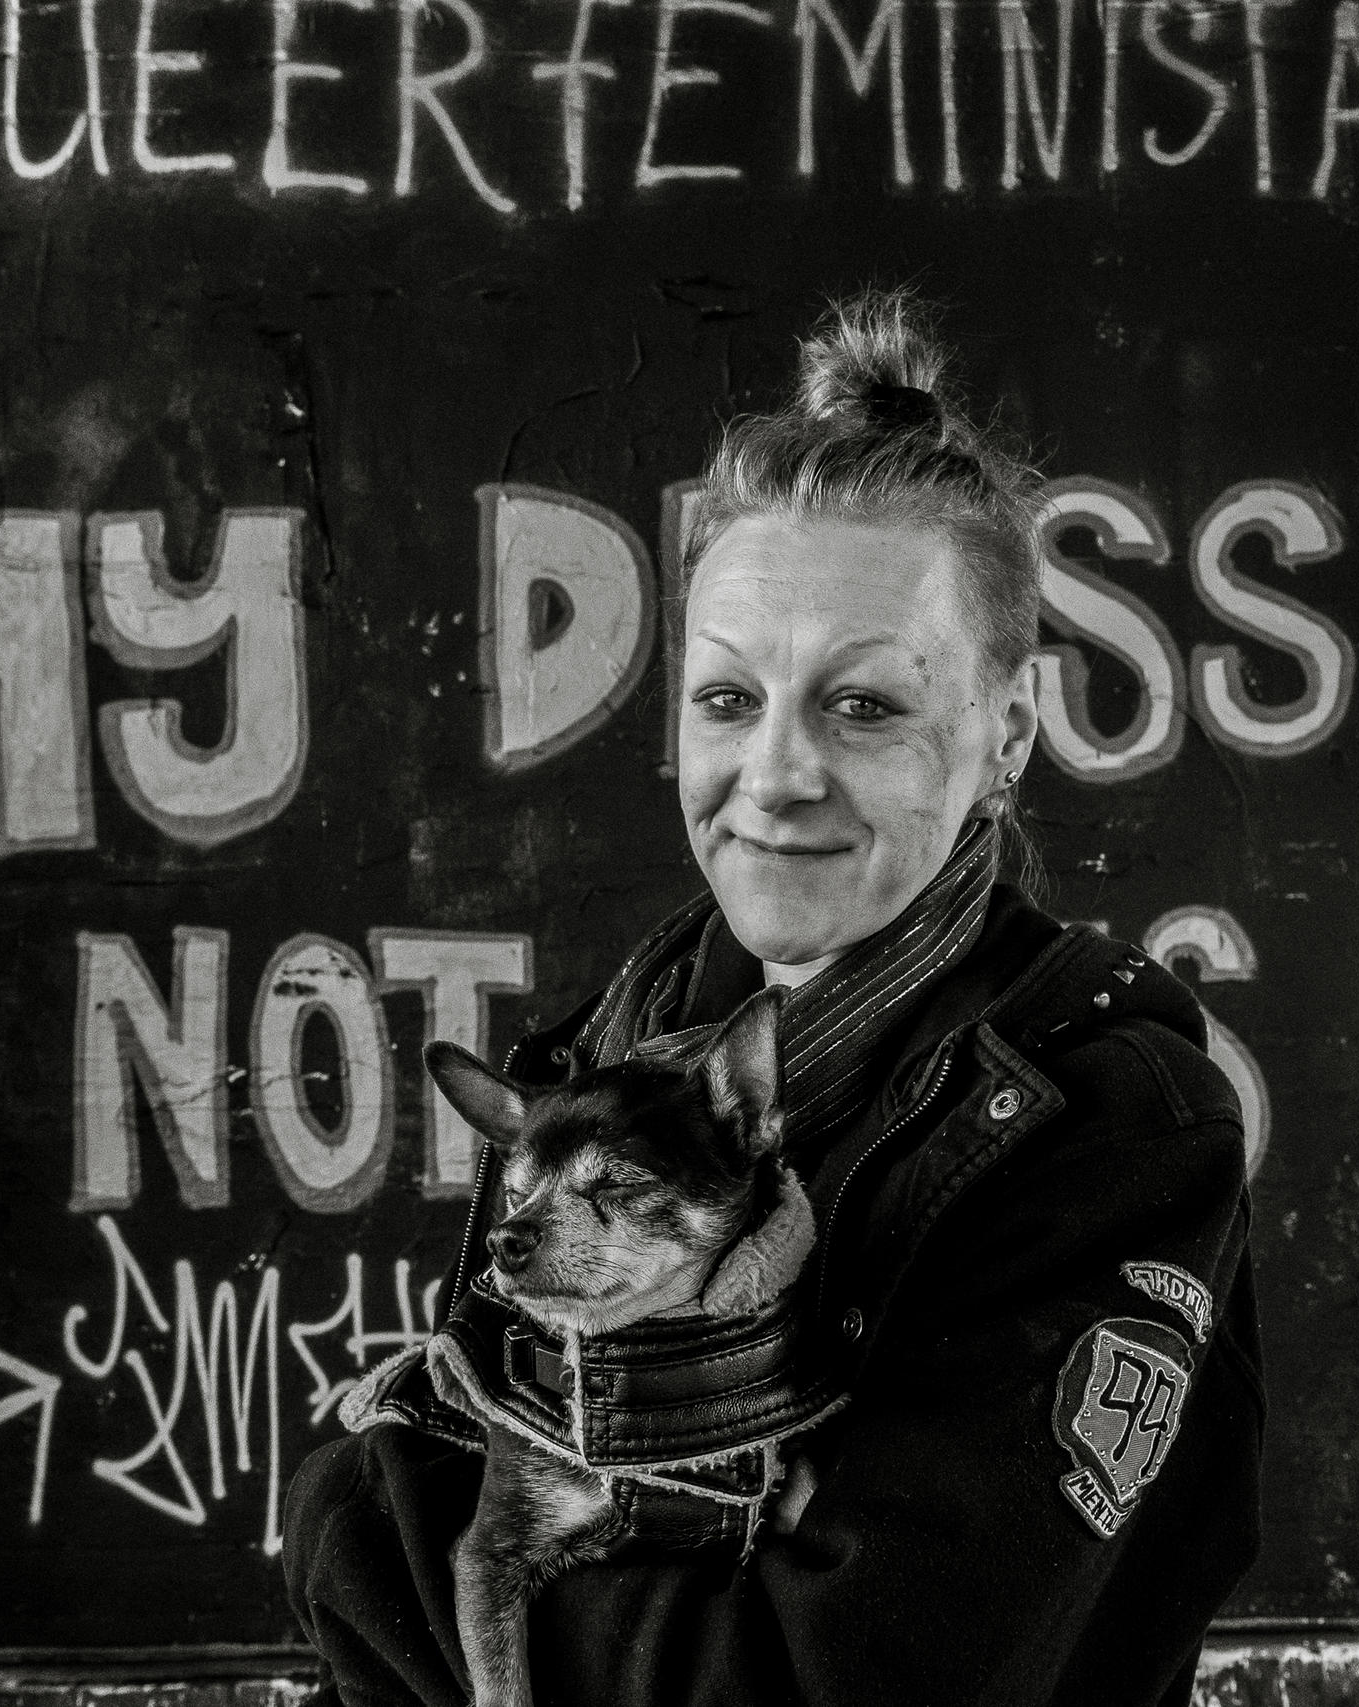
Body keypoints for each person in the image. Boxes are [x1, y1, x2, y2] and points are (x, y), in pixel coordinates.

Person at [282, 290, 1263, 1707]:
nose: (777, 774)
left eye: (864, 706)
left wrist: (349, 1533)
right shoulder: (614, 1040)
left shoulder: (1111, 1124)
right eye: (729, 701)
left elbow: (818, 1682)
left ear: (1007, 734)